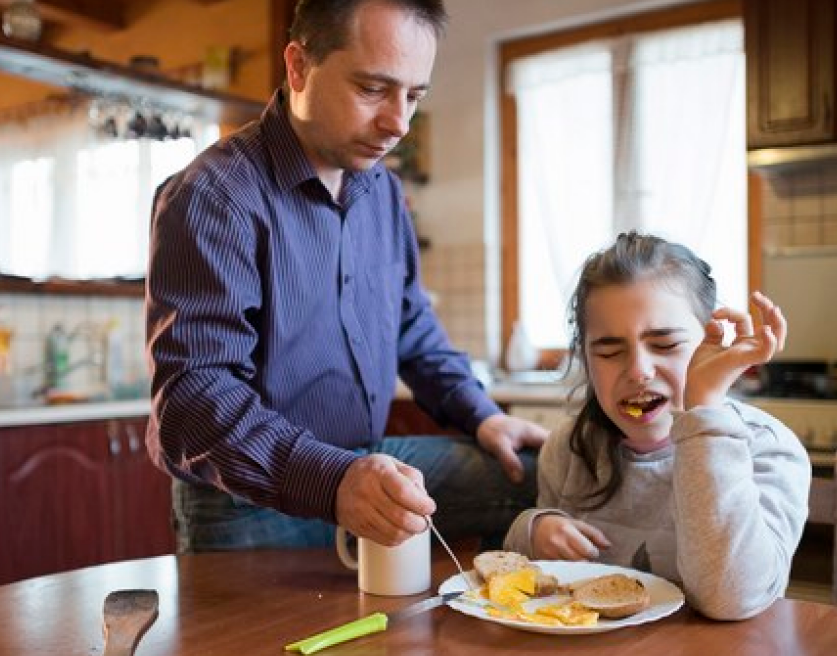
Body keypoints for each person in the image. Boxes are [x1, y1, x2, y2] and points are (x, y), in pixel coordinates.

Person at [145, 0, 548, 553]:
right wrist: (333, 480)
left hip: (365, 460)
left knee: (535, 473)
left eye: (413, 95)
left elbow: (411, 325)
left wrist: (481, 415)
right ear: (298, 67)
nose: (399, 123)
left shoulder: (381, 189)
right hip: (247, 500)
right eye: (373, 89)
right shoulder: (213, 197)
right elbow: (193, 403)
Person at [503, 232, 811, 620]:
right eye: (610, 351)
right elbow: (542, 581)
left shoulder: (768, 448)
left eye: (665, 346)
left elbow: (730, 598)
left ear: (712, 343)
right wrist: (535, 529)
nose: (638, 371)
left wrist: (705, 410)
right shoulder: (571, 446)